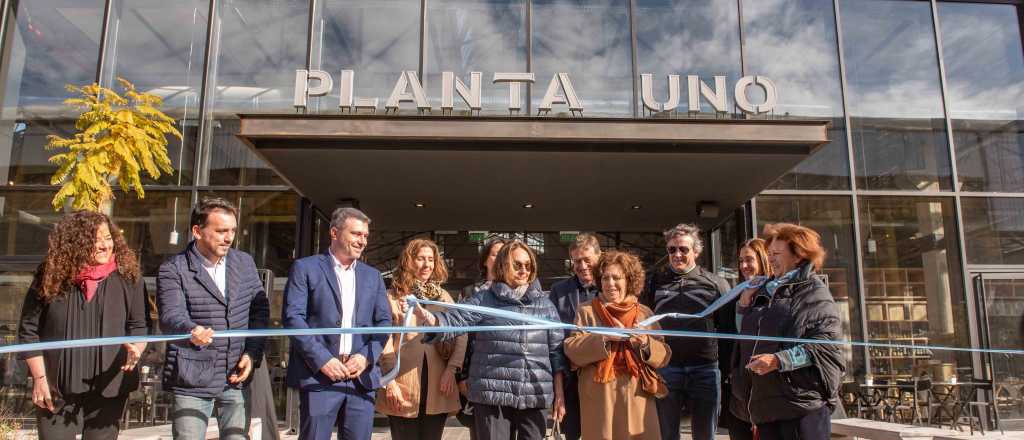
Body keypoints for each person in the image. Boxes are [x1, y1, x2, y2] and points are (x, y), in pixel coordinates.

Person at [407, 240, 566, 440]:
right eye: (517, 265)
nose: (524, 270)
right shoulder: (485, 299)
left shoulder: (545, 305)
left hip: (534, 395)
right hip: (492, 396)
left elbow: (556, 352)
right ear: (503, 265)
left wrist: (559, 394)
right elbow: (456, 320)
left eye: (528, 265)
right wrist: (431, 319)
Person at [17, 211, 149, 440]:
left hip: (110, 386)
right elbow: (28, 330)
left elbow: (139, 325)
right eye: (95, 240)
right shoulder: (50, 275)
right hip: (55, 388)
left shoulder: (129, 275)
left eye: (108, 238)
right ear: (74, 243)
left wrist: (136, 349)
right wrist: (39, 380)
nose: (104, 246)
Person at [157, 197, 270, 439]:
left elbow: (259, 312)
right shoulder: (174, 269)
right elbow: (170, 316)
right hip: (192, 378)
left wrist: (252, 353)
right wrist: (190, 330)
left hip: (235, 376)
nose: (228, 238)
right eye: (221, 231)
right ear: (197, 231)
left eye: (232, 231)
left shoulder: (245, 263)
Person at [283, 207, 391, 440]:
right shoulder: (305, 268)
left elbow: (384, 322)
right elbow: (293, 319)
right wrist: (323, 360)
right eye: (356, 234)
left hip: (360, 380)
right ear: (334, 233)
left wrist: (365, 357)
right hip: (319, 377)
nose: (362, 241)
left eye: (365, 236)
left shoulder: (373, 276)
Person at [731, 224, 845, 440]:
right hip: (767, 407)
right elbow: (745, 338)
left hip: (800, 406)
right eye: (769, 254)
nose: (770, 259)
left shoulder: (813, 292)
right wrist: (744, 306)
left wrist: (778, 360)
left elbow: (825, 347)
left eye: (776, 254)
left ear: (798, 256)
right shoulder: (766, 291)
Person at [564, 250, 670, 440]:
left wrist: (645, 342)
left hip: (638, 398)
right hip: (599, 399)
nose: (610, 284)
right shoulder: (586, 310)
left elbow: (664, 356)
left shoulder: (644, 313)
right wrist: (604, 338)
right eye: (605, 278)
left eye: (616, 278)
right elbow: (571, 349)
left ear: (629, 280)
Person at [640, 223, 731, 440]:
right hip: (667, 369)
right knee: (666, 434)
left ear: (696, 251)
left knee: (705, 434)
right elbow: (645, 322)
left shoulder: (717, 284)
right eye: (672, 249)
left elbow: (727, 330)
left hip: (705, 370)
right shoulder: (654, 282)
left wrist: (726, 371)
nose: (677, 254)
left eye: (683, 249)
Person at [378, 239, 468, 440]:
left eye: (431, 260)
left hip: (438, 386)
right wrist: (390, 382)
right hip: (402, 384)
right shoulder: (391, 296)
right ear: (408, 261)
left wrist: (451, 370)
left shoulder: (443, 296)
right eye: (420, 259)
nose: (427, 265)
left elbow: (461, 334)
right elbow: (383, 342)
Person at [548, 233, 601, 440]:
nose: (582, 266)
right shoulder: (558, 291)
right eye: (577, 261)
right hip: (570, 380)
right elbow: (554, 341)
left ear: (599, 257)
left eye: (587, 259)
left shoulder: (612, 288)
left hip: (603, 378)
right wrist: (558, 391)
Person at [455, 237, 509, 439]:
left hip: (508, 374)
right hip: (477, 373)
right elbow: (461, 335)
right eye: (495, 254)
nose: (500, 259)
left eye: (504, 254)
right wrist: (461, 375)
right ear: (485, 259)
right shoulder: (469, 293)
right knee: (481, 431)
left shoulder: (519, 293)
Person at [721, 239, 772, 440]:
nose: (743, 266)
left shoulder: (775, 294)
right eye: (741, 260)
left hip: (767, 383)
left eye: (749, 260)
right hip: (741, 385)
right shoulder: (737, 294)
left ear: (763, 259)